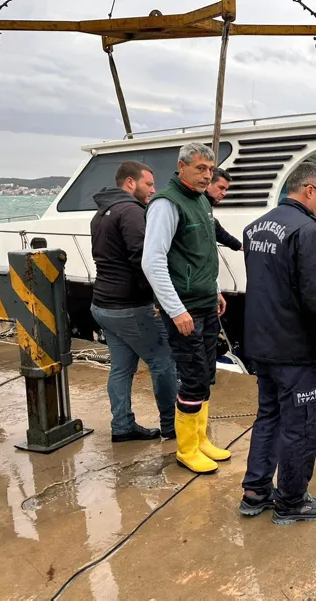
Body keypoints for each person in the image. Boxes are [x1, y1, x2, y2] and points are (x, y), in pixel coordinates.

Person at [240, 162, 316, 525]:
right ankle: (291, 500)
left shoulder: (254, 228)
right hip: (296, 351)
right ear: (309, 191)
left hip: (261, 344)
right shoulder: (310, 232)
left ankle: (256, 491)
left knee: (269, 416)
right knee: (301, 426)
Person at [141, 142, 230, 474]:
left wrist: (215, 289)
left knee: (205, 375)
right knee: (192, 379)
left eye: (210, 169)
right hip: (186, 310)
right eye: (200, 168)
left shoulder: (202, 202)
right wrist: (176, 310)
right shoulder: (166, 204)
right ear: (182, 167)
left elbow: (202, 253)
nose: (207, 175)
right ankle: (186, 448)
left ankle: (201, 439)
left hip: (206, 304)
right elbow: (152, 261)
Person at [89, 161, 179, 442]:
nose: (153, 190)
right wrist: (159, 299)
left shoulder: (101, 213)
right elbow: (144, 260)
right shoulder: (131, 212)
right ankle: (172, 425)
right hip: (130, 307)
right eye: (148, 184)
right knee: (163, 361)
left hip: (102, 304)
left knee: (121, 368)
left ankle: (122, 425)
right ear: (130, 182)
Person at [206, 167, 242, 251]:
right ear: (208, 184)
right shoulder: (198, 204)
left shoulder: (207, 205)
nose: (224, 193)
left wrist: (239, 245)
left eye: (226, 190)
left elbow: (217, 229)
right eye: (221, 188)